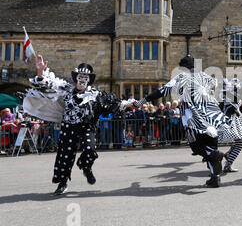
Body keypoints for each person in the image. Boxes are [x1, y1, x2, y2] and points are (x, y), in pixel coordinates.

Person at [23, 55, 131, 195]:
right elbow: (45, 85)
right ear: (76, 77)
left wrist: (129, 103)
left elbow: (113, 104)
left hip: (87, 127)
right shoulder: (66, 89)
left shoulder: (94, 94)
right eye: (80, 76)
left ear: (89, 80)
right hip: (68, 127)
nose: (82, 79)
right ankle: (63, 183)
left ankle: (86, 167)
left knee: (90, 148)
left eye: (85, 77)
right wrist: (39, 72)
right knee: (65, 155)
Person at [133, 55, 231, 187]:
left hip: (193, 116)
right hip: (212, 113)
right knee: (211, 144)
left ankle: (214, 155)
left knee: (195, 145)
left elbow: (161, 91)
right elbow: (221, 87)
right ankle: (215, 178)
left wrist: (141, 101)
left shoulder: (181, 77)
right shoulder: (206, 76)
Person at [218, 77, 242, 173]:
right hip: (232, 121)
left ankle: (229, 156)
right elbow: (225, 108)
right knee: (240, 142)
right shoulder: (228, 95)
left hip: (237, 120)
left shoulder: (233, 94)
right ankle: (228, 164)